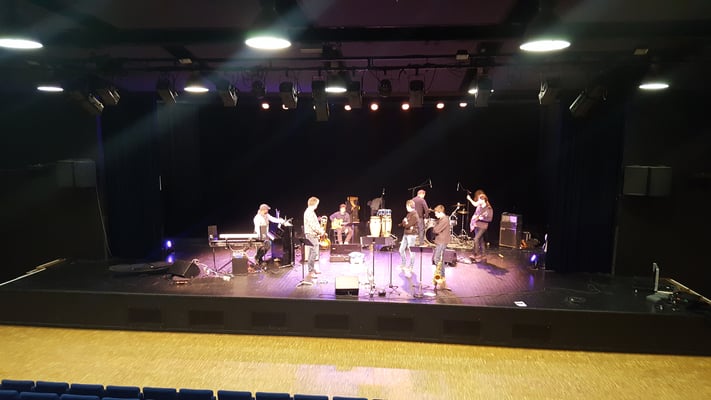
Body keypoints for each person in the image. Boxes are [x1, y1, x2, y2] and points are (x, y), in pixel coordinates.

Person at [253, 204, 285, 268]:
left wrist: (282, 221)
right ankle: (257, 258)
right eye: (267, 209)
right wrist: (262, 237)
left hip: (264, 233)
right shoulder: (257, 218)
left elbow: (273, 219)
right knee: (267, 244)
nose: (268, 210)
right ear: (263, 210)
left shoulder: (266, 215)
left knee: (268, 244)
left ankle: (259, 258)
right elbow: (257, 228)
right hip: (258, 234)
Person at [467, 192, 493, 263]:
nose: (478, 201)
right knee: (481, 241)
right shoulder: (479, 207)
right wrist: (475, 220)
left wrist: (481, 218)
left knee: (476, 239)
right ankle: (483, 256)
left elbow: (489, 219)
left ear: (483, 200)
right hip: (477, 225)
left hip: (483, 226)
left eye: (479, 200)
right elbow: (475, 207)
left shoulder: (489, 209)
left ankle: (475, 254)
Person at [398, 199, 419, 278]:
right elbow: (404, 223)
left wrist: (406, 222)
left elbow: (407, 225)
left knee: (411, 251)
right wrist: (405, 222)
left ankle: (411, 266)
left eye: (407, 206)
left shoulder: (415, 215)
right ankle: (403, 264)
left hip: (411, 235)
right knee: (401, 249)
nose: (406, 208)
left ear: (410, 206)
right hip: (406, 233)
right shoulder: (409, 214)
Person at [303, 196, 325, 275]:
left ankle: (311, 268)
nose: (317, 205)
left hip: (313, 234)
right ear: (314, 203)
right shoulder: (309, 212)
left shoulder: (311, 211)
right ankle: (311, 270)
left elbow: (314, 223)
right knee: (314, 252)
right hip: (311, 234)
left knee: (312, 251)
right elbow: (312, 225)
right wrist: (320, 231)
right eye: (317, 204)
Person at [431, 204, 451, 289]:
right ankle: (441, 278)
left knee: (437, 259)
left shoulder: (444, 220)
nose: (435, 215)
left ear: (440, 212)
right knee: (440, 260)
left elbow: (435, 230)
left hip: (442, 242)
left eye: (436, 213)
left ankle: (439, 276)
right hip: (440, 241)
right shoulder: (441, 219)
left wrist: (435, 226)